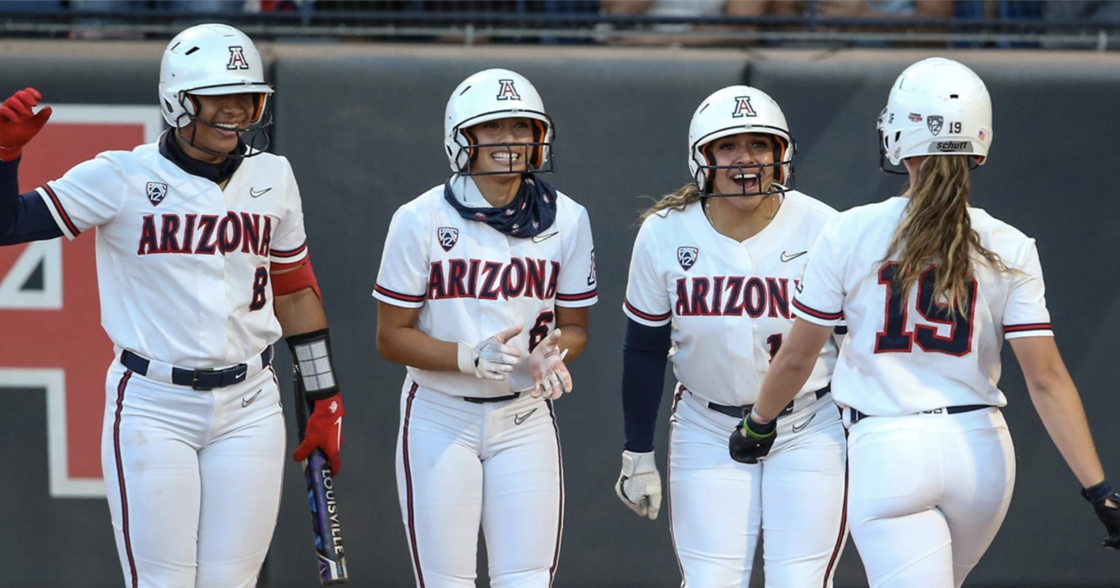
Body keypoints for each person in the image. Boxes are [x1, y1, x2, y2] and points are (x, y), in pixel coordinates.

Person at [729, 57, 1120, 587]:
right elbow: (1046, 379)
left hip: (889, 448)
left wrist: (759, 421)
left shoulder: (850, 231)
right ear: (980, 139)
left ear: (896, 133)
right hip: (981, 453)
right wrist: (1098, 489)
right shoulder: (1011, 244)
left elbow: (798, 357)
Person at [0, 24, 344, 587]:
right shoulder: (121, 175)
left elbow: (295, 288)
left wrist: (325, 396)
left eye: (245, 95)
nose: (235, 109)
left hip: (251, 403)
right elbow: (6, 222)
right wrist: (4, 153)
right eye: (219, 95)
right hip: (154, 404)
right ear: (178, 100)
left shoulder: (273, 174)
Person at [614, 85, 848, 587]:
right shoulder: (663, 231)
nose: (746, 159)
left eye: (760, 144)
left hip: (809, 423)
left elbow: (855, 349)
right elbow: (644, 349)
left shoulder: (826, 227)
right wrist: (637, 450)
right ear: (704, 158)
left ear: (782, 156)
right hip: (707, 423)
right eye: (729, 146)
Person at [374, 68, 597, 588]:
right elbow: (390, 336)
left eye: (522, 128)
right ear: (464, 138)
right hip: (439, 413)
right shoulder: (419, 217)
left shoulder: (570, 217)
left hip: (524, 417)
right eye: (493, 128)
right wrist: (466, 357)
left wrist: (551, 355)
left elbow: (576, 327)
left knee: (527, 579)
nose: (509, 142)